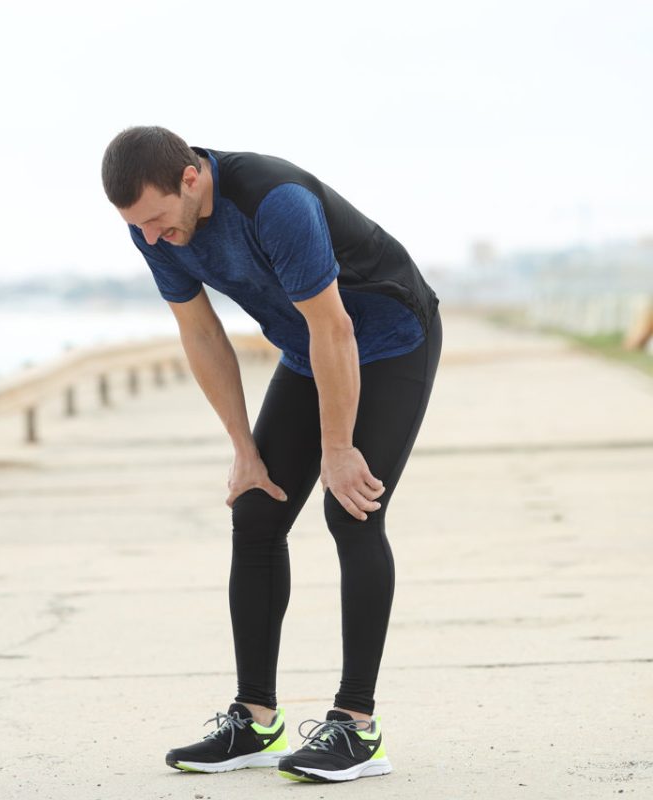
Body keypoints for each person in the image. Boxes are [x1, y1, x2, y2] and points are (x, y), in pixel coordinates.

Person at [101, 126, 441, 784]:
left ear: (192, 180)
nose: (149, 237)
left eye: (156, 219)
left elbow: (334, 326)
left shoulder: (272, 201)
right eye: (135, 225)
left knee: (353, 510)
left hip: (391, 337)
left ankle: (357, 727)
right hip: (307, 349)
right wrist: (241, 448)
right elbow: (200, 332)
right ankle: (255, 720)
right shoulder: (158, 227)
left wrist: (337, 449)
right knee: (256, 512)